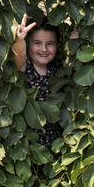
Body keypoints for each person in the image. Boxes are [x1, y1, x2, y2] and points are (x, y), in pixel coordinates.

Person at [11, 15, 63, 147]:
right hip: (31, 146)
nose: (44, 49)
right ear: (28, 44)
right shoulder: (25, 66)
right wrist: (19, 41)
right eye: (37, 43)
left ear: (57, 45)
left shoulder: (57, 68)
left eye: (50, 44)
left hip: (56, 143)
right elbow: (19, 55)